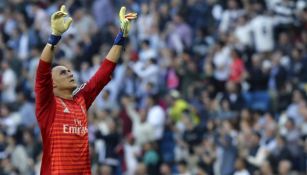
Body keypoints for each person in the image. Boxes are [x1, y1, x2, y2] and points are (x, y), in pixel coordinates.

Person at [34, 5, 137, 174]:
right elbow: (42, 70)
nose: (69, 73)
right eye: (63, 72)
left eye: (69, 70)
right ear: (52, 84)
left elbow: (103, 73)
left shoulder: (80, 100)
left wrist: (121, 36)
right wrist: (54, 38)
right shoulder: (47, 105)